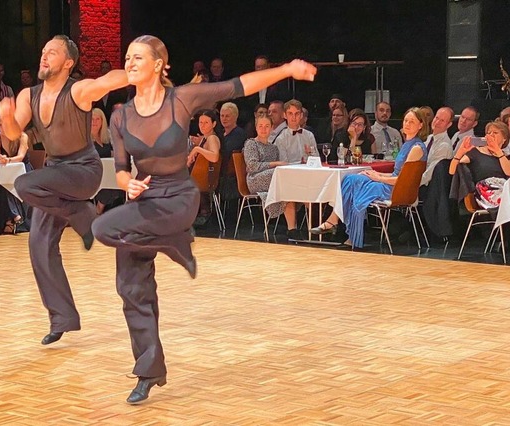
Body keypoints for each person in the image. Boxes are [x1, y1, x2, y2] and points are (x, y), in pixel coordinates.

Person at [91, 34, 316, 404]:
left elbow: (239, 86)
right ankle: (149, 370)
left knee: (108, 229)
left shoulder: (181, 99)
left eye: (138, 58)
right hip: (144, 202)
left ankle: (176, 239)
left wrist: (286, 69)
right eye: (127, 58)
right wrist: (126, 184)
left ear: (161, 64)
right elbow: (119, 169)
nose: (129, 63)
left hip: (178, 196)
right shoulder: (119, 115)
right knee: (129, 285)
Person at [0, 35, 130, 346]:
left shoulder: (78, 89)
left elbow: (110, 80)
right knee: (39, 244)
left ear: (68, 63)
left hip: (83, 171)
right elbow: (14, 134)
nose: (44, 56)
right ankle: (62, 318)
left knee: (23, 183)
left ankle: (80, 211)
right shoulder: (28, 95)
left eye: (52, 53)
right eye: (43, 51)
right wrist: (5, 117)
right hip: (55, 174)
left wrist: (139, 68)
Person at [310, 107, 429, 248]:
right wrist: (375, 174)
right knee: (351, 179)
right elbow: (397, 173)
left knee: (360, 190)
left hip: (397, 189)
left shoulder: (416, 148)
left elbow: (404, 180)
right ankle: (334, 221)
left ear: (421, 125)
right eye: (406, 120)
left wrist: (378, 178)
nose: (407, 124)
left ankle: (351, 238)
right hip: (392, 183)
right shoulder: (406, 144)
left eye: (412, 122)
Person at [450, 121, 510, 209]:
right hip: (484, 192)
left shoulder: (506, 157)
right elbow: (452, 170)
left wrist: (498, 151)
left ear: (504, 138)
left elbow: (508, 172)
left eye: (495, 133)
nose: (491, 135)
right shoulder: (476, 152)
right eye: (489, 133)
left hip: (504, 191)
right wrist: (460, 152)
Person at [0, 116, 31, 234]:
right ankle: (14, 218)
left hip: (23, 170)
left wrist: (8, 160)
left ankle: (13, 219)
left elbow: (20, 157)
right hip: (5, 171)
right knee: (3, 184)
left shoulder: (23, 136)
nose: (2, 128)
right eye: (0, 125)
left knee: (11, 183)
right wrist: (1, 158)